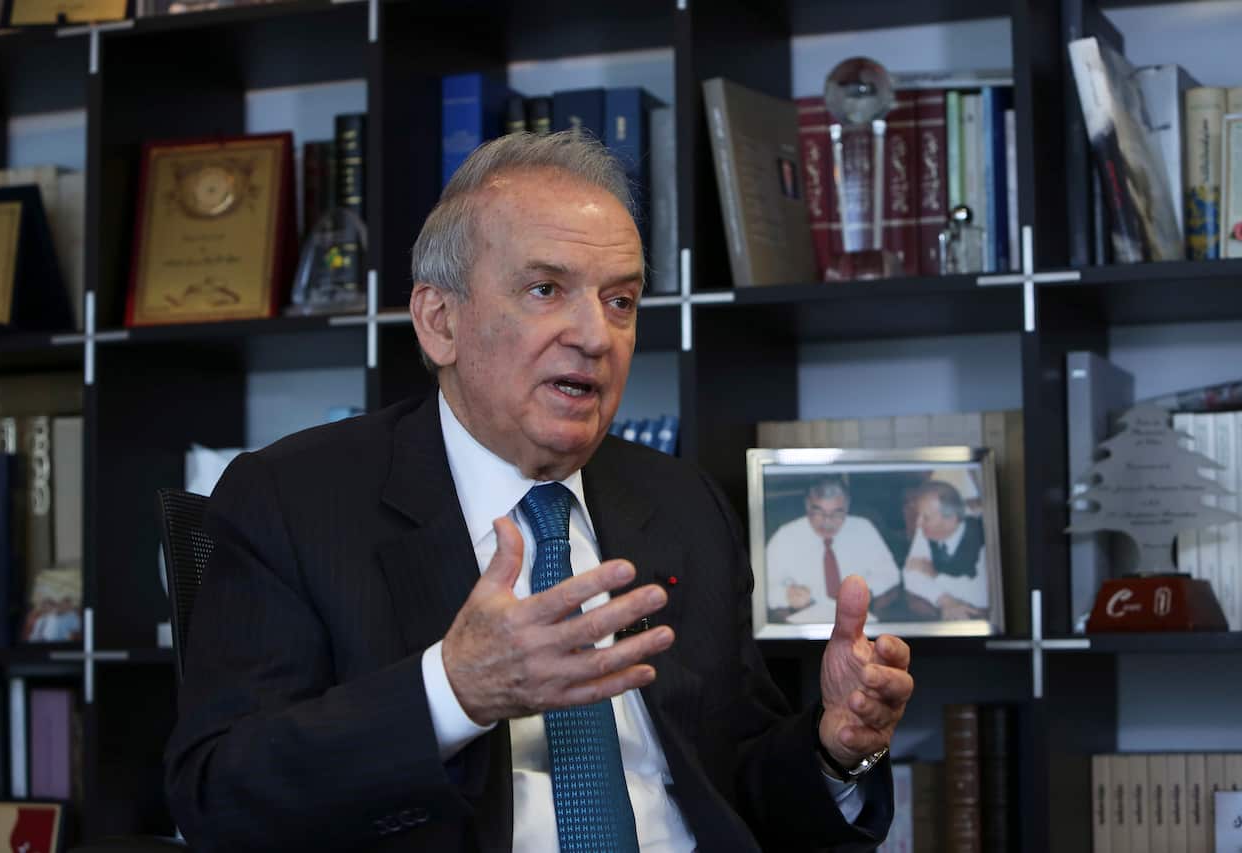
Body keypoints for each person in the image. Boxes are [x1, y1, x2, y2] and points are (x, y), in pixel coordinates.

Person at [164, 132, 914, 852]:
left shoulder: (683, 501)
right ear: (439, 321)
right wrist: (453, 692)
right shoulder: (293, 501)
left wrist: (833, 748)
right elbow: (220, 797)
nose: (595, 335)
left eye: (620, 301)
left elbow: (731, 781)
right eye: (545, 288)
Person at [765, 477, 903, 624]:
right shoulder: (785, 537)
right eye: (819, 512)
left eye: (837, 513)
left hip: (857, 621)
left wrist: (865, 590)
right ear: (807, 506)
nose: (827, 521)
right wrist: (785, 595)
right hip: (807, 623)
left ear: (847, 508)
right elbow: (760, 586)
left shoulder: (864, 529)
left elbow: (890, 574)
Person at [902, 480, 989, 620]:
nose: (918, 523)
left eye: (926, 517)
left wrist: (935, 575)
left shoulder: (984, 534)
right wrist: (946, 601)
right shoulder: (926, 530)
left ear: (951, 519)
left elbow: (982, 596)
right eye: (919, 515)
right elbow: (911, 576)